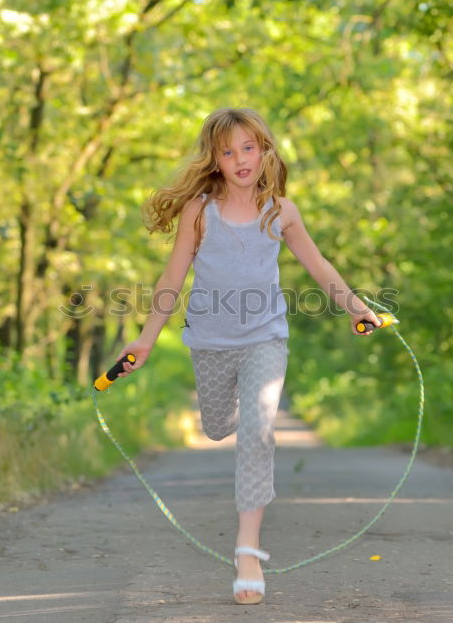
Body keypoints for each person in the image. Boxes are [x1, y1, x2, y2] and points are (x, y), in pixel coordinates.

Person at [114, 107, 381, 605]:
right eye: (228, 151)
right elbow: (172, 279)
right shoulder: (199, 211)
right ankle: (236, 419)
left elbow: (318, 264)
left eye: (249, 148)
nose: (240, 159)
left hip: (265, 337)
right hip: (211, 342)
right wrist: (146, 338)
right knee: (218, 427)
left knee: (258, 430)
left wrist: (356, 308)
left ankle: (248, 551)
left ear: (265, 151)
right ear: (214, 159)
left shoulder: (282, 211)